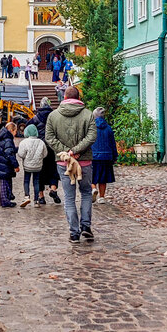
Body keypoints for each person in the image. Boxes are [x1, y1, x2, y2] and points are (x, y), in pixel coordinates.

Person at [45, 85, 97, 243]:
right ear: (79, 98)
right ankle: (86, 227)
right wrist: (76, 151)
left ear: (64, 98)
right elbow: (92, 135)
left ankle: (74, 233)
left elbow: (49, 137)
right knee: (86, 193)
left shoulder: (53, 116)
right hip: (84, 161)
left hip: (63, 162)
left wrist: (66, 153)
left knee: (69, 197)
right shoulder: (88, 115)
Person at [29, 97, 61, 204]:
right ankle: (53, 189)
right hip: (52, 147)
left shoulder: (35, 118)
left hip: (39, 148)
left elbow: (28, 129)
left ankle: (41, 196)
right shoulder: (55, 117)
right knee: (53, 170)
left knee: (39, 172)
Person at [91, 106, 118, 203]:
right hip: (106, 156)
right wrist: (115, 156)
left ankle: (93, 188)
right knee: (103, 178)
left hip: (94, 156)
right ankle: (102, 197)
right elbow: (112, 144)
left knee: (92, 176)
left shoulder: (91, 128)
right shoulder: (108, 128)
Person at [17, 124, 48, 207]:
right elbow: (45, 154)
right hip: (38, 166)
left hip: (27, 166)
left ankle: (27, 196)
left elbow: (21, 154)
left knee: (26, 181)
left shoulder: (24, 142)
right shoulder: (41, 142)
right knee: (36, 182)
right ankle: (36, 200)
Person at [0, 120, 20, 207]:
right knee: (5, 183)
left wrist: (17, 149)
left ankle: (8, 198)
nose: (16, 133)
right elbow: (9, 154)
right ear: (12, 130)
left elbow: (9, 150)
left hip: (2, 164)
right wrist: (16, 165)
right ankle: (5, 200)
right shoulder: (8, 140)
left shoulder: (3, 137)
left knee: (6, 182)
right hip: (5, 165)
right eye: (15, 131)